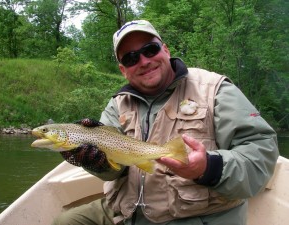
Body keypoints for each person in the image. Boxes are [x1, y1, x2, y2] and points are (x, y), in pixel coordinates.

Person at [53, 20, 279, 225]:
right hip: (126, 211)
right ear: (123, 70)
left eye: (150, 49)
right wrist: (98, 165)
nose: (143, 61)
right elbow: (115, 170)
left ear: (166, 49)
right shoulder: (117, 104)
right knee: (66, 222)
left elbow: (261, 152)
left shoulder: (215, 90)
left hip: (196, 216)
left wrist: (209, 167)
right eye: (131, 58)